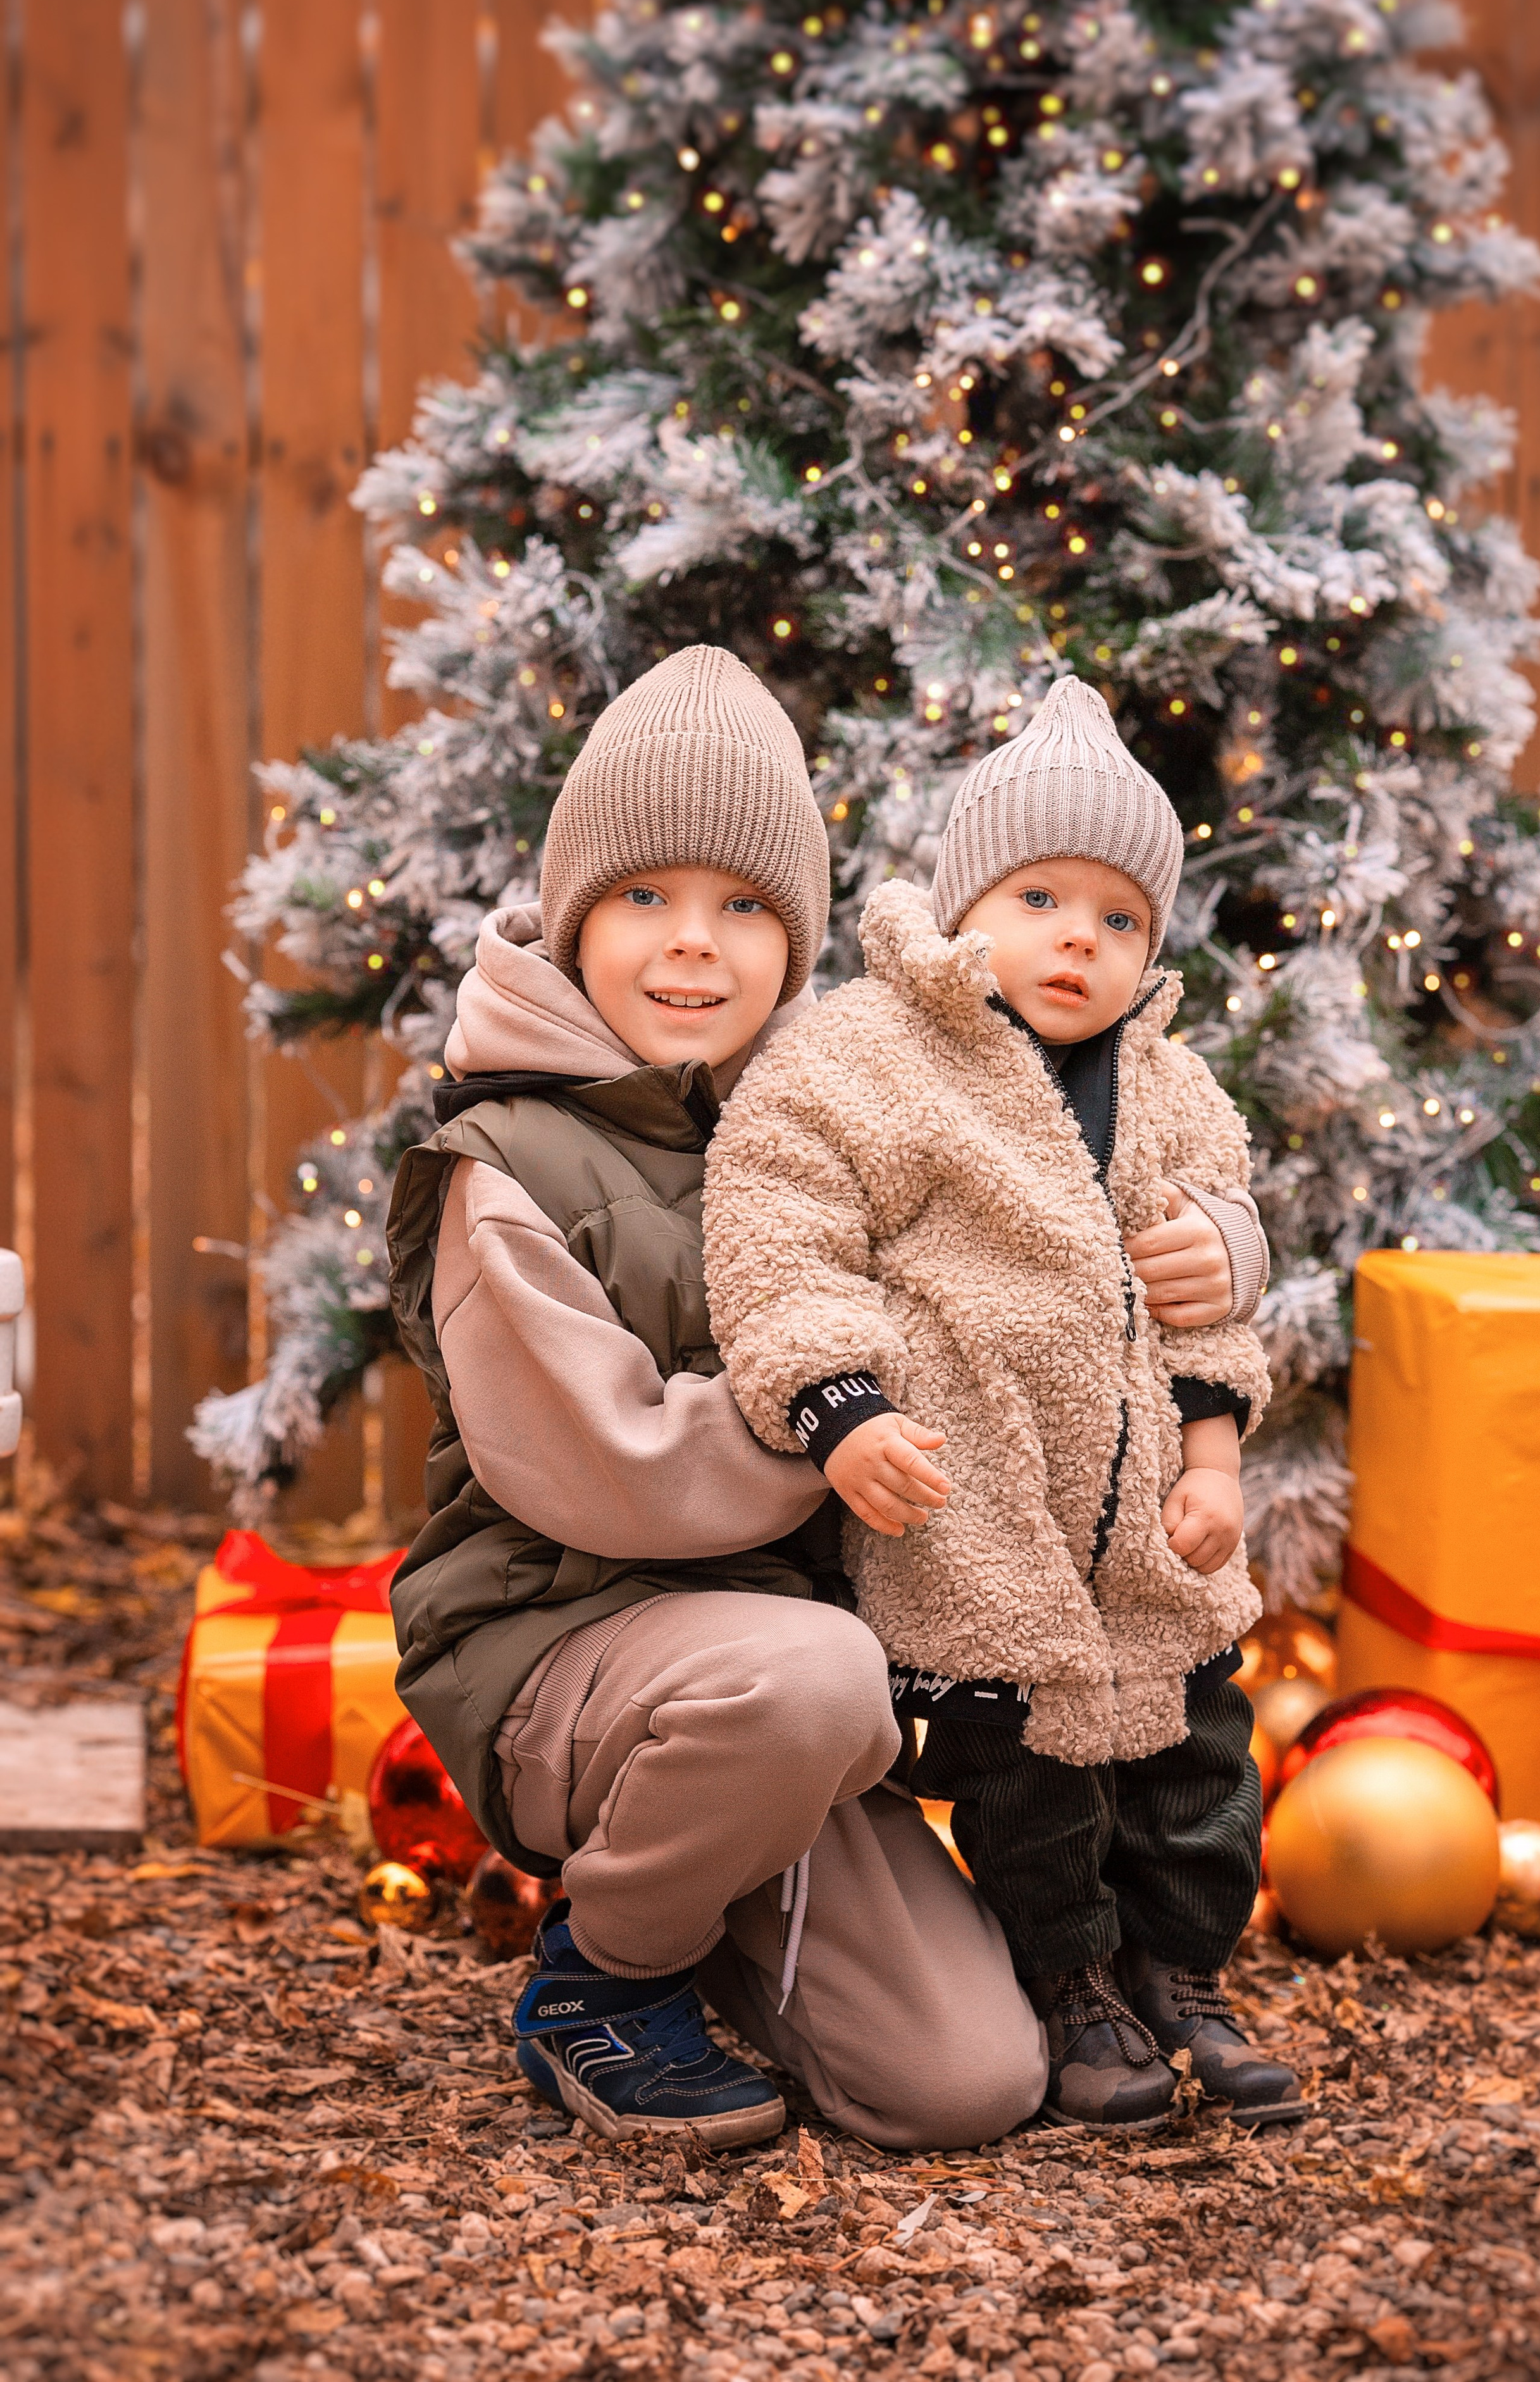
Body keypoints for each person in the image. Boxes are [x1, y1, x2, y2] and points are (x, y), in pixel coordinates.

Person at [385, 645, 1262, 2152]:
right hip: (571, 1645)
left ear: (792, 944)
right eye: (644, 899)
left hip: (795, 1690)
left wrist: (1217, 1252)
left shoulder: (835, 1099)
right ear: (573, 913)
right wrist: (874, 1421)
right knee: (805, 1684)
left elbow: (1079, 1189)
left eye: (743, 909)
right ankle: (603, 1979)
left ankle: (716, 1886)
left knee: (961, 2083)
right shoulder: (504, 1168)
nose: (692, 948)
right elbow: (610, 1469)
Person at [705, 675, 1302, 2134]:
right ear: (968, 899)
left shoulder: (1168, 1087)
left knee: (1196, 1771)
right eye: (1038, 897)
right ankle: (1071, 1985)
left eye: (1117, 921)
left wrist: (1215, 1454)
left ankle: (1178, 1970)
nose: (1075, 941)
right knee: (1029, 1781)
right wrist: (838, 1407)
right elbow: (777, 1231)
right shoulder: (866, 1055)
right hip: (975, 1509)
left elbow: (1202, 1300)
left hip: (1150, 1522)